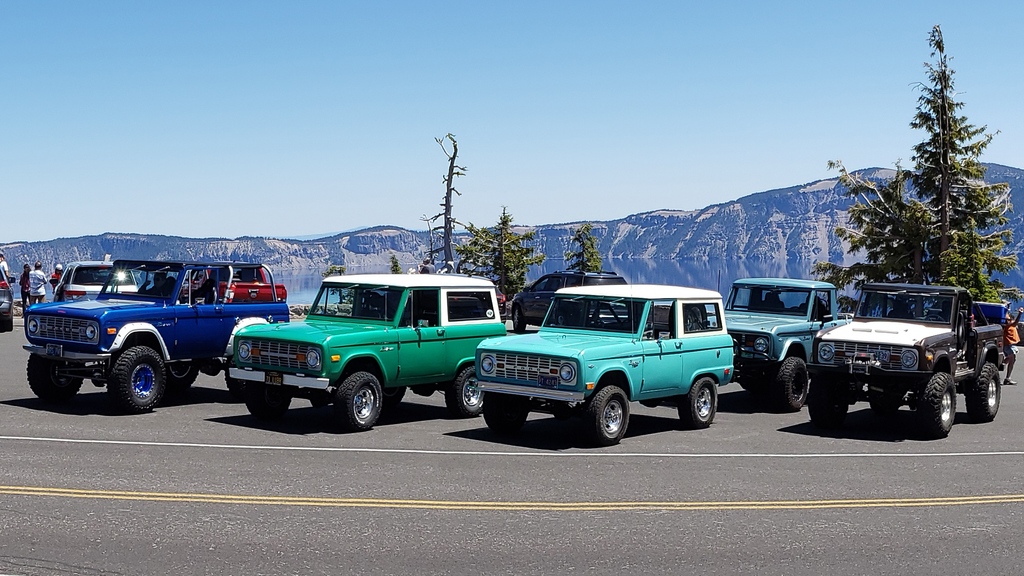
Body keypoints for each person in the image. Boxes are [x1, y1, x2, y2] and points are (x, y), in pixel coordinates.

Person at [1003, 306, 1023, 385]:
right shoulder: (1008, 324)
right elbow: (1015, 322)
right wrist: (1020, 314)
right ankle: (1008, 378)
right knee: (1012, 358)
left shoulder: (1010, 323)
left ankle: (1000, 365)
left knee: (1010, 359)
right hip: (1008, 345)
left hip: (1010, 344)